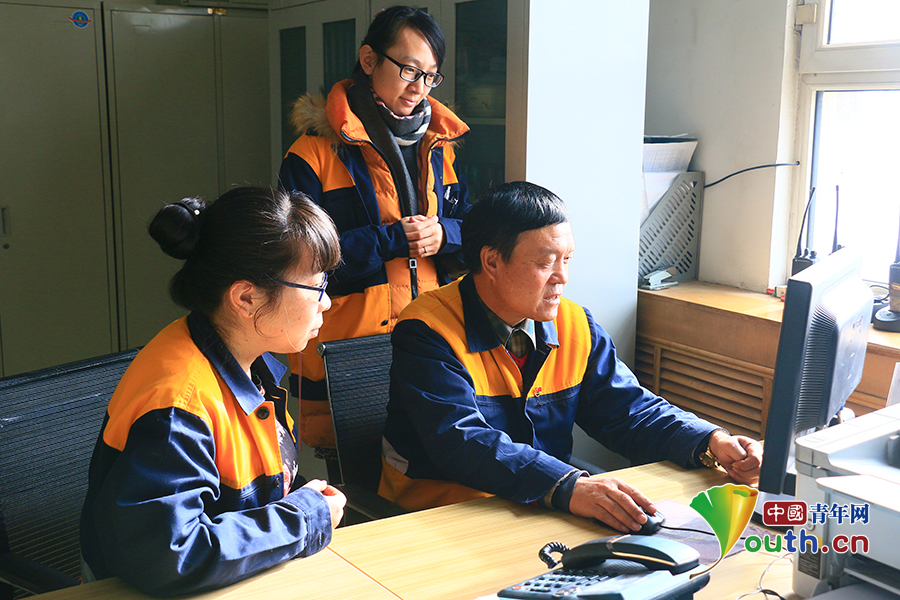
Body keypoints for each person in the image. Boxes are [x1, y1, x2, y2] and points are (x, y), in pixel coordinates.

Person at [379, 181, 763, 533]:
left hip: (538, 507)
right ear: (492, 262)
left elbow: (629, 411)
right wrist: (569, 486)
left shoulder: (574, 323)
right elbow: (461, 442)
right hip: (438, 516)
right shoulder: (427, 329)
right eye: (546, 262)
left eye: (568, 259)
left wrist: (710, 440)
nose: (562, 277)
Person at [80, 187, 347, 596]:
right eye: (315, 286)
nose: (326, 302)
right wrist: (304, 518)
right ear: (246, 297)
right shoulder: (178, 406)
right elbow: (171, 554)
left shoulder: (250, 363)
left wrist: (302, 501)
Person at [278, 5, 470, 461]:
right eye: (409, 70)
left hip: (431, 339)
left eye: (430, 76)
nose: (419, 87)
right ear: (369, 60)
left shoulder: (439, 147)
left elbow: (476, 232)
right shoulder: (312, 153)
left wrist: (444, 235)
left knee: (428, 474)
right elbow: (296, 262)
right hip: (348, 351)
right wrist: (392, 240)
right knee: (358, 484)